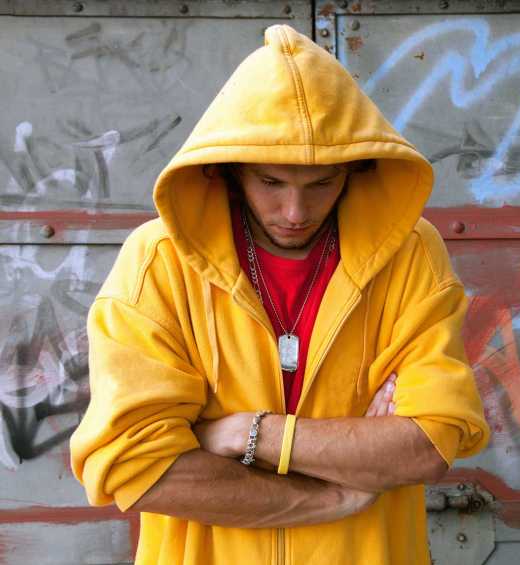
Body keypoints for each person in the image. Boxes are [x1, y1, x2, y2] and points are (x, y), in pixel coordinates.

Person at [69, 24, 490, 565]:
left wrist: (246, 432)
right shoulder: (159, 261)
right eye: (271, 183)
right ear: (228, 171)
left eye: (320, 184)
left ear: (354, 173)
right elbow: (134, 467)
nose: (295, 212)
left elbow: (429, 445)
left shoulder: (409, 252)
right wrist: (332, 495)